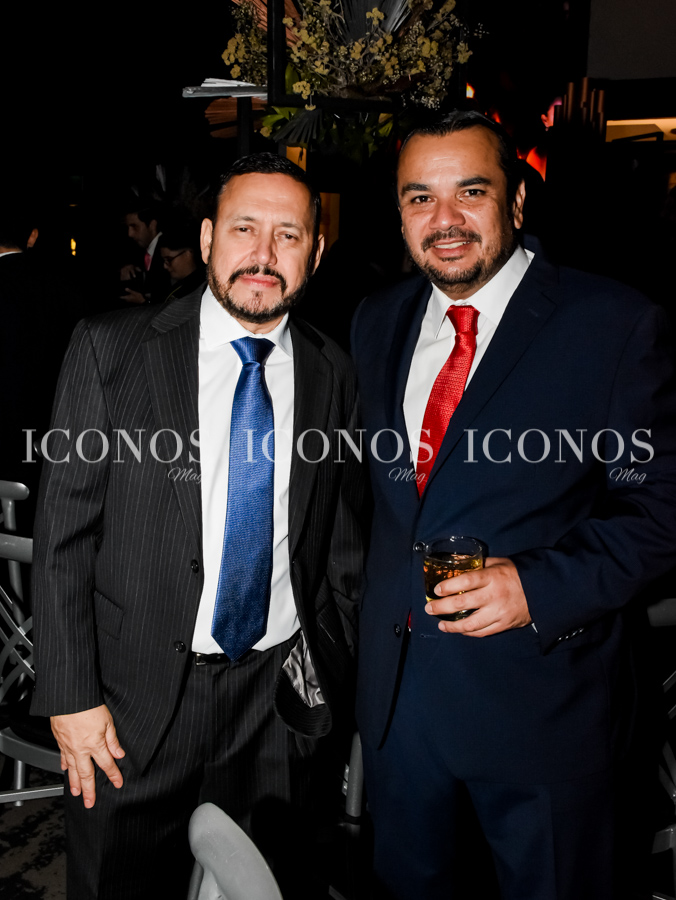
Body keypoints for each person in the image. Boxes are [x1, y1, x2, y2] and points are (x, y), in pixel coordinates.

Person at [350, 109, 676, 900]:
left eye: (471, 191)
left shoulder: (613, 323)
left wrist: (536, 585)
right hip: (399, 716)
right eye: (420, 198)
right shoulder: (375, 319)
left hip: (545, 713)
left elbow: (662, 510)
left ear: (517, 200)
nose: (445, 219)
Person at [31, 152, 364, 899]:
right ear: (209, 237)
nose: (264, 254)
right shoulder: (110, 347)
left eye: (288, 235)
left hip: (274, 708)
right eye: (244, 228)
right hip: (131, 706)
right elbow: (62, 540)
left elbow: (339, 541)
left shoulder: (331, 370)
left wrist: (331, 673)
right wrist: (71, 696)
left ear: (315, 252)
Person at [120, 200, 170, 305]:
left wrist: (144, 302)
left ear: (152, 225)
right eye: (128, 227)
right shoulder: (140, 252)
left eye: (134, 226)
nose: (130, 234)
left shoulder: (167, 251)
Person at [158, 219, 205, 302]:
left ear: (188, 254)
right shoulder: (180, 284)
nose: (165, 266)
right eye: (164, 260)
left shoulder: (201, 288)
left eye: (169, 260)